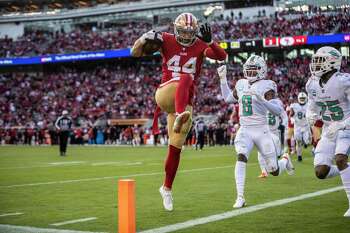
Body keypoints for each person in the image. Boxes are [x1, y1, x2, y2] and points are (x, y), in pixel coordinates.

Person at [131, 12, 227, 211]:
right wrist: (142, 39)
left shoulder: (200, 44)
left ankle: (166, 188)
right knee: (186, 78)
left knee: (175, 149)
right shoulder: (165, 39)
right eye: (182, 31)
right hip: (166, 93)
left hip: (185, 101)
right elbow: (135, 53)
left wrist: (211, 42)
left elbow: (222, 57)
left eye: (189, 32)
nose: (185, 35)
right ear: (175, 29)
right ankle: (181, 114)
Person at [217, 55, 294, 208]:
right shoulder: (241, 83)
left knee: (274, 170)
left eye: (254, 69)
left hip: (261, 130)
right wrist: (223, 79)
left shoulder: (267, 85)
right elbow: (227, 98)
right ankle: (240, 197)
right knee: (241, 156)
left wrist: (263, 100)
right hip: (245, 129)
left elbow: (278, 110)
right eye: (249, 69)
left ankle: (284, 160)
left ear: (262, 70)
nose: (250, 72)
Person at [306, 46, 350, 217]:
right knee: (321, 172)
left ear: (332, 62)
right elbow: (312, 106)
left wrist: (340, 125)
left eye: (320, 60)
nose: (315, 64)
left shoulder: (343, 81)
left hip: (346, 127)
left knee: (340, 159)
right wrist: (311, 116)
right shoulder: (312, 84)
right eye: (315, 60)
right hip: (328, 131)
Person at [257, 99, 288, 178]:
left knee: (275, 162)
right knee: (260, 152)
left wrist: (283, 125)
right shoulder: (261, 102)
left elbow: (284, 115)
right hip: (265, 132)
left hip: (275, 133)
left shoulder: (277, 102)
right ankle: (264, 172)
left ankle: (285, 159)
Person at [289, 92, 311, 161]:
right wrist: (292, 119)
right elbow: (291, 114)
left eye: (303, 98)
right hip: (297, 126)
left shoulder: (309, 105)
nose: (302, 99)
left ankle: (305, 143)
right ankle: (299, 156)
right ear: (298, 98)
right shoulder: (294, 105)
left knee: (307, 141)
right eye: (301, 98)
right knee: (298, 142)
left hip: (306, 126)